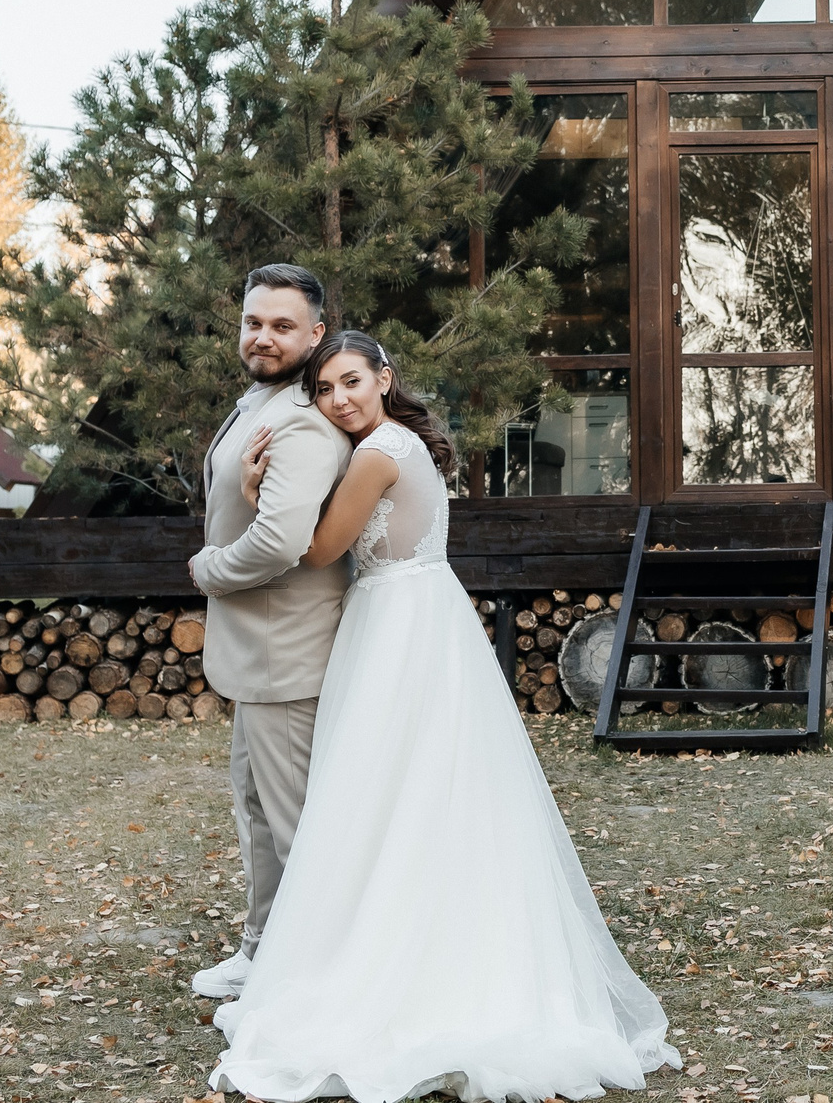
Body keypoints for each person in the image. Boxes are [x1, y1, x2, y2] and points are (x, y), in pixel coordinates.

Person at [208, 330, 677, 1102]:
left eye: (352, 381)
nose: (339, 398)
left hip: (397, 625)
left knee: (384, 786)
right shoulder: (404, 442)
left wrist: (261, 493)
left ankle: (389, 957)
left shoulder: (375, 454)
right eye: (324, 389)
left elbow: (318, 549)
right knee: (428, 787)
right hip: (424, 612)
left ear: (384, 377)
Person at [187, 264, 353, 1002]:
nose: (263, 336)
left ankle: (317, 982)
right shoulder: (262, 402)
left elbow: (283, 541)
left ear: (315, 335)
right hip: (257, 653)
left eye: (282, 325)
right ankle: (262, 949)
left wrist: (209, 570)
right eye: (253, 321)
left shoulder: (304, 420)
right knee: (256, 808)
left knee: (295, 825)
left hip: (286, 653)